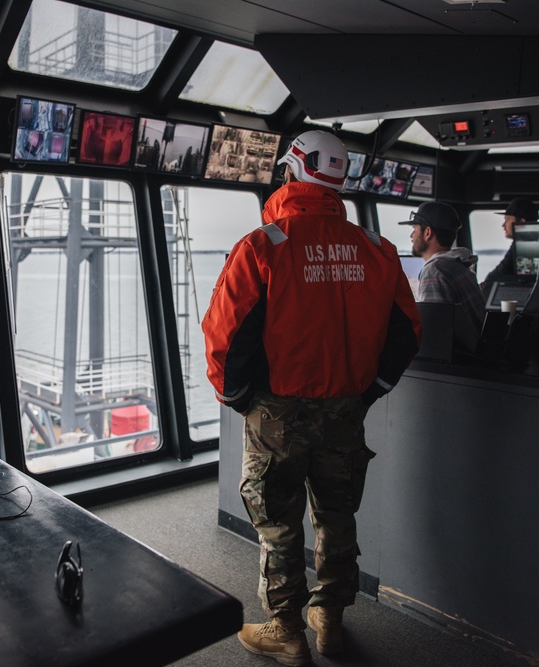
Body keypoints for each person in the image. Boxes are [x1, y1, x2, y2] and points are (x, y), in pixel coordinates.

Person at [202, 130, 421, 666]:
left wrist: (239, 399)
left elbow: (227, 338)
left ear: (292, 172)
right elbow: (406, 334)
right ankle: (331, 621)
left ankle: (287, 631)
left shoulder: (264, 246)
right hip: (345, 407)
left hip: (277, 409)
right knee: (337, 514)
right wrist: (368, 391)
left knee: (278, 522)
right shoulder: (378, 250)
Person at [398, 201, 485, 332]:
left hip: (459, 351)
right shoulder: (457, 265)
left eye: (414, 229)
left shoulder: (434, 271)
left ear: (427, 232)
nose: (411, 236)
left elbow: (434, 333)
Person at [479, 197, 539, 297]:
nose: (503, 225)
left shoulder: (523, 246)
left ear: (521, 222)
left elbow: (497, 276)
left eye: (507, 220)